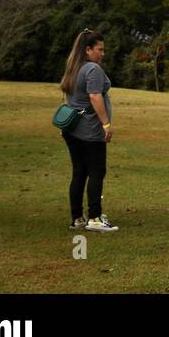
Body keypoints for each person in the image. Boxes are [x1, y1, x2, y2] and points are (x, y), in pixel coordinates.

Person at [59, 28, 118, 232]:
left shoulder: (73, 68)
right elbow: (95, 97)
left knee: (79, 173)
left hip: (72, 130)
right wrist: (106, 124)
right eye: (99, 49)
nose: (102, 53)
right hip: (90, 130)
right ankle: (94, 217)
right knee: (96, 172)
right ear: (87, 50)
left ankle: (77, 218)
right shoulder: (92, 69)